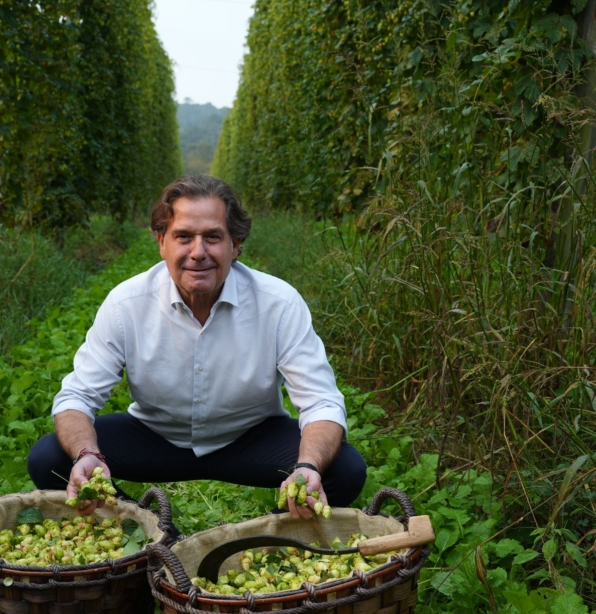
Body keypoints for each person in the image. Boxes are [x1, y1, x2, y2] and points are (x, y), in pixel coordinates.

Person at [27, 175, 366, 519]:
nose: (198, 252)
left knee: (344, 469)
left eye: (213, 238)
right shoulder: (126, 304)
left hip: (250, 435)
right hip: (155, 434)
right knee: (50, 459)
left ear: (235, 245)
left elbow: (321, 400)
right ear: (162, 243)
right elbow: (77, 397)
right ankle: (139, 528)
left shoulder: (278, 304)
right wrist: (89, 454)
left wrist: (307, 464)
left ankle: (265, 537)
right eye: (183, 237)